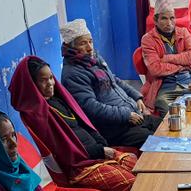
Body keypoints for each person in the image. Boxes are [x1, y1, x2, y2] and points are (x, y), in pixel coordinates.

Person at [9, 56, 138, 191]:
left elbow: (83, 124)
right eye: (43, 80)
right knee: (131, 183)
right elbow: (65, 152)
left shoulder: (59, 99)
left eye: (51, 78)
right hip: (80, 168)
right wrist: (100, 151)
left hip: (95, 154)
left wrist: (101, 143)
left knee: (135, 164)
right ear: (31, 84)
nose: (50, 83)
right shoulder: (38, 115)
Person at [59, 19, 161, 147]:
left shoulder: (94, 59)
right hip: (115, 129)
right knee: (155, 143)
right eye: (83, 43)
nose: (89, 48)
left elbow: (114, 80)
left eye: (90, 41)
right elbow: (91, 107)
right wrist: (126, 115)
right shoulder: (73, 74)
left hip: (132, 115)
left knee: (164, 127)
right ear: (71, 47)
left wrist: (137, 97)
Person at [139, 0, 191, 115]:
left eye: (172, 18)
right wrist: (182, 65)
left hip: (188, 81)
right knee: (169, 111)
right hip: (165, 85)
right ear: (155, 20)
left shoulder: (183, 32)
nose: (169, 23)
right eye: (164, 18)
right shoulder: (148, 39)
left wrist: (167, 58)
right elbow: (155, 69)